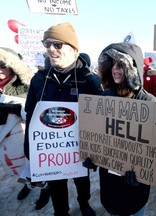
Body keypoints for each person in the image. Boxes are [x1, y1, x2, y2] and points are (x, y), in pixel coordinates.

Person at [23, 22, 103, 216]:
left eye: (57, 44)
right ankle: (61, 211)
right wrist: (30, 149)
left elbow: (100, 119)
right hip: (51, 151)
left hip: (78, 150)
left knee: (81, 181)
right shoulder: (40, 78)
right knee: (57, 185)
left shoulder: (88, 80)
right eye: (47, 44)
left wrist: (96, 151)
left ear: (73, 49)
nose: (51, 49)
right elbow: (31, 113)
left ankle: (84, 203)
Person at [96, 42, 156, 215]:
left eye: (121, 65)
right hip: (109, 179)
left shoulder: (149, 102)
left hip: (136, 182)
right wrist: (91, 154)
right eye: (113, 64)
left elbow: (155, 146)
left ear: (133, 68)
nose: (115, 70)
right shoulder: (104, 96)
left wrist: (142, 173)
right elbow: (97, 133)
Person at [0, 47, 50, 210]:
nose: (0, 70)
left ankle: (45, 190)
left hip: (27, 134)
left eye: (2, 65)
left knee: (37, 165)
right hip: (7, 138)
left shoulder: (26, 85)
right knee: (21, 167)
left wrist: (15, 109)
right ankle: (26, 184)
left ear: (12, 65)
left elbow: (38, 114)